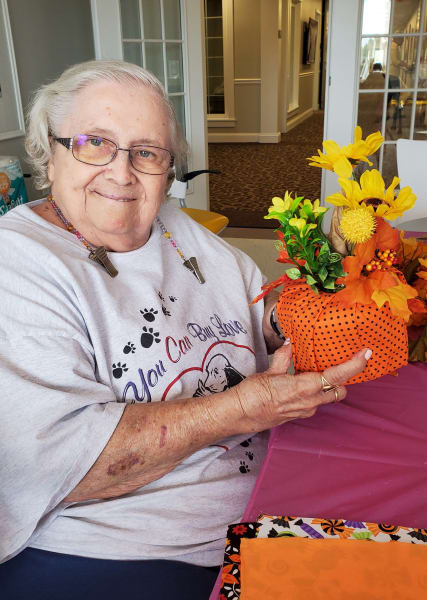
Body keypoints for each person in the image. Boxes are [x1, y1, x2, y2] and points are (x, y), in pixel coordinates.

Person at [0, 60, 370, 600]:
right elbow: (59, 464)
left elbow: (255, 314)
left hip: (266, 501)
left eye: (147, 153)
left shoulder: (174, 227)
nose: (122, 173)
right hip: (120, 550)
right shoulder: (19, 262)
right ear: (48, 155)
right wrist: (245, 408)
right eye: (94, 143)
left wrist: (311, 300)